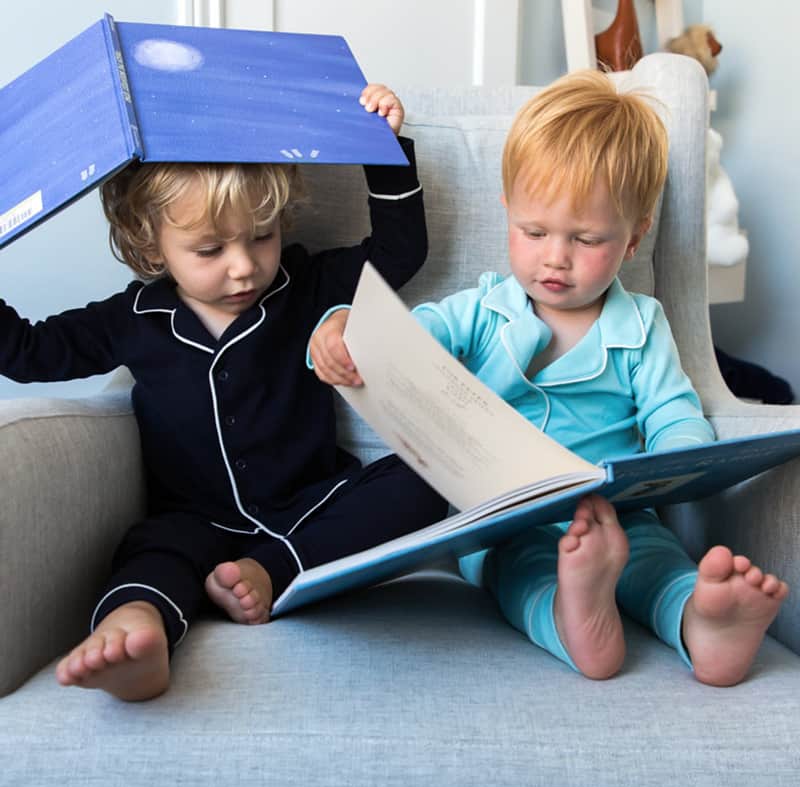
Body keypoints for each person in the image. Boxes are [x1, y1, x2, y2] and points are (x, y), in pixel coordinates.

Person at [308, 70, 789, 686]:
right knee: (517, 572)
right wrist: (338, 327)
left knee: (656, 561)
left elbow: (674, 414)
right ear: (508, 212)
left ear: (634, 239)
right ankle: (573, 618)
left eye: (586, 239)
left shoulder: (640, 323)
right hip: (501, 520)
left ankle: (702, 620)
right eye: (534, 233)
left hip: (615, 515)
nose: (555, 256)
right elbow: (401, 339)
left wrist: (678, 466)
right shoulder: (480, 310)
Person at [0, 84, 448, 701]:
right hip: (191, 520)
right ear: (151, 242)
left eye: (260, 237)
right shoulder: (129, 318)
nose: (242, 267)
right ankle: (139, 629)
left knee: (426, 478)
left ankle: (272, 572)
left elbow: (401, 252)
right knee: (150, 554)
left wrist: (382, 146)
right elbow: (27, 353)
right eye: (209, 250)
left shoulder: (306, 284)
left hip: (308, 510)